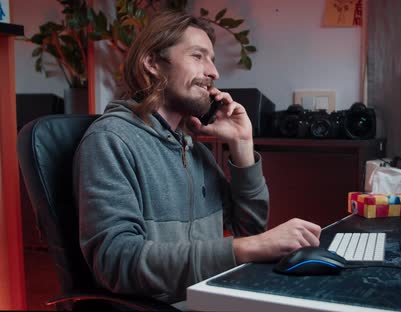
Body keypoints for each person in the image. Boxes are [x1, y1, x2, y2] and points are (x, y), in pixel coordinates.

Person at [74, 10, 322, 304]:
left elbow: (250, 231)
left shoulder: (193, 148)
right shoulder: (111, 140)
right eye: (198, 56)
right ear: (152, 62)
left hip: (211, 297)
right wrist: (243, 248)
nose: (214, 72)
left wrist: (242, 145)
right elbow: (115, 262)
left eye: (212, 59)